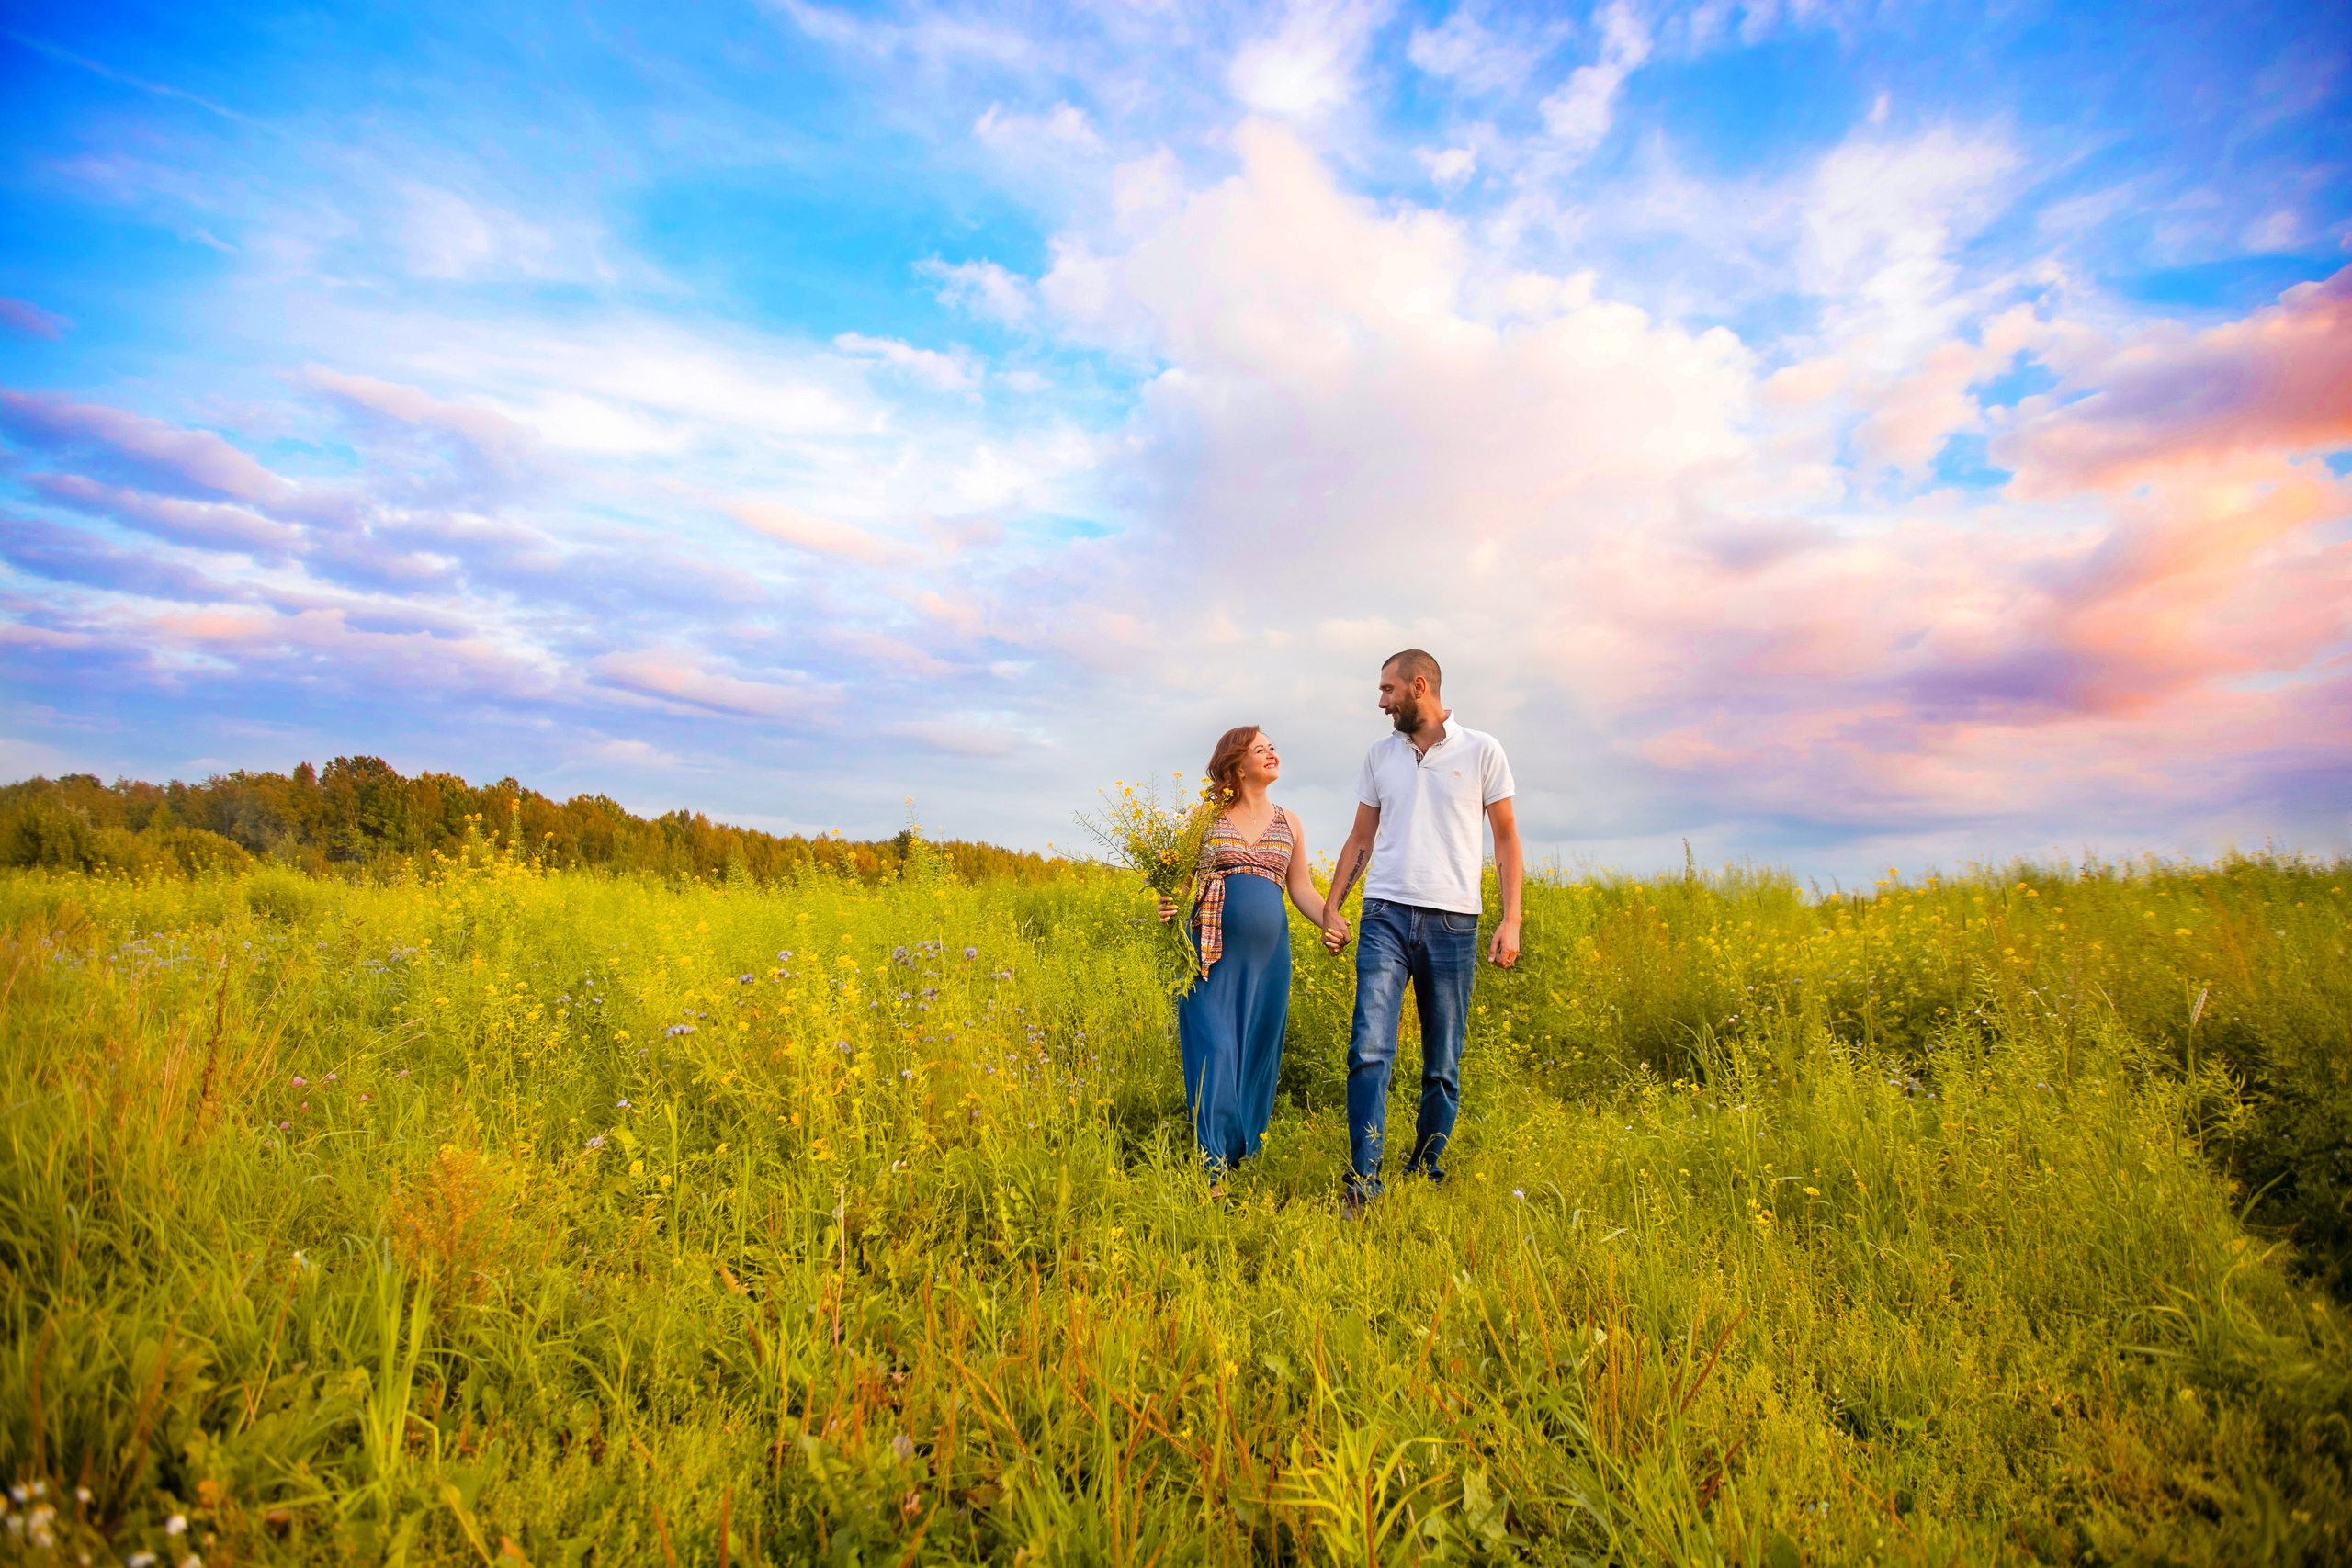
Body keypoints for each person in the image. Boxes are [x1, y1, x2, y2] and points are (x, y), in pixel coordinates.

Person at [1319, 650, 1521, 1214]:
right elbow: (1361, 838)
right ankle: (1364, 1180)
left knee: (1443, 1061)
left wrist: (1512, 917)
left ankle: (1425, 1166)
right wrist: (1334, 907)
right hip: (1384, 914)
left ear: (1419, 685)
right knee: (1369, 1049)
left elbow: (1505, 838)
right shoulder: (1379, 755)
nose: (1381, 702)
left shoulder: (1483, 750)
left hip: (1454, 921)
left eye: (1388, 691)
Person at [1157, 727, 1336, 1188]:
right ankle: (1212, 1165)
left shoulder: (1290, 821)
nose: (1273, 753)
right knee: (1215, 1048)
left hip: (1269, 959)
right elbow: (1178, 883)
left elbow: (1302, 890)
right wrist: (1166, 905)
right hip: (1210, 950)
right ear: (1238, 765)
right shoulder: (1205, 817)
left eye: (1273, 746)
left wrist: (1331, 920)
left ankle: (1244, 1154)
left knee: (1256, 1051)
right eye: (1262, 749)